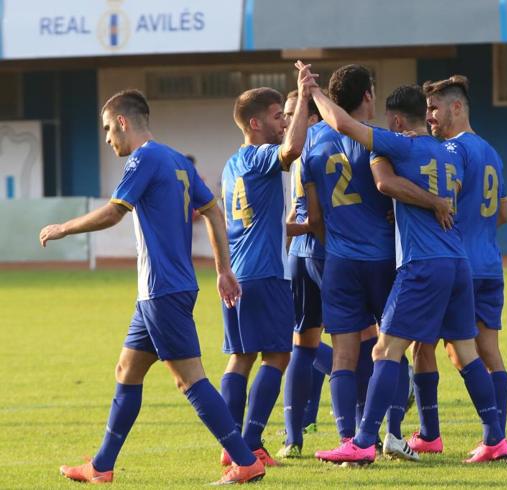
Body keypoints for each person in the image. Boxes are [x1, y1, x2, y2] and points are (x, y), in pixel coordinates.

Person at [39, 89, 265, 485]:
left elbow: (113, 213)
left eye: (109, 129)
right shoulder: (176, 158)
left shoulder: (143, 158)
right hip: (160, 291)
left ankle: (245, 461)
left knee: (189, 379)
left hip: (163, 289)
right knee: (127, 369)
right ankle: (102, 466)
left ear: (124, 122)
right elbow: (211, 207)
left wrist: (63, 227)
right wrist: (223, 269)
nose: (108, 138)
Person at [304, 74, 507, 465]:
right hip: (458, 263)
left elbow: (345, 125)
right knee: (466, 353)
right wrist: (432, 199)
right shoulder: (452, 152)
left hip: (423, 264)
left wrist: (313, 93)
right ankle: (496, 438)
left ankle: (363, 442)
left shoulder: (399, 145)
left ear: (397, 122)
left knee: (386, 348)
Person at [294, 63, 449, 462]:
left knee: (343, 355)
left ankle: (348, 440)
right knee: (392, 348)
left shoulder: (312, 141)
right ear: (367, 95)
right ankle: (393, 434)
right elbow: (398, 194)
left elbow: (314, 216)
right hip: (384, 260)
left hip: (339, 262)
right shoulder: (383, 139)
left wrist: (336, 245)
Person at [407, 75, 507, 457]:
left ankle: (430, 434)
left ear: (456, 107)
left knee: (424, 345)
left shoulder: (451, 151)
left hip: (457, 266)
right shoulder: (492, 152)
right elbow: (503, 212)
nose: (428, 115)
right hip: (490, 264)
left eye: (434, 108)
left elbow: (442, 200)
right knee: (488, 352)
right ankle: (496, 435)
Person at [218, 68, 314, 467]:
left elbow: (258, 219)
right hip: (266, 275)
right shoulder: (259, 158)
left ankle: (230, 445)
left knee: (240, 358)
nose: (285, 123)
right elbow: (291, 151)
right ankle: (252, 442)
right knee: (278, 357)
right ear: (255, 123)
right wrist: (305, 95)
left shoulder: (231, 165)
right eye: (279, 116)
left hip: (238, 274)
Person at [278, 89, 334, 458]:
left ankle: (292, 437)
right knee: (360, 342)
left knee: (303, 344)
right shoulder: (324, 144)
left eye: (293, 112)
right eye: (284, 113)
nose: (286, 120)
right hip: (325, 252)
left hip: (298, 254)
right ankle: (366, 432)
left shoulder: (296, 151)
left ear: (312, 116)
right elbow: (321, 216)